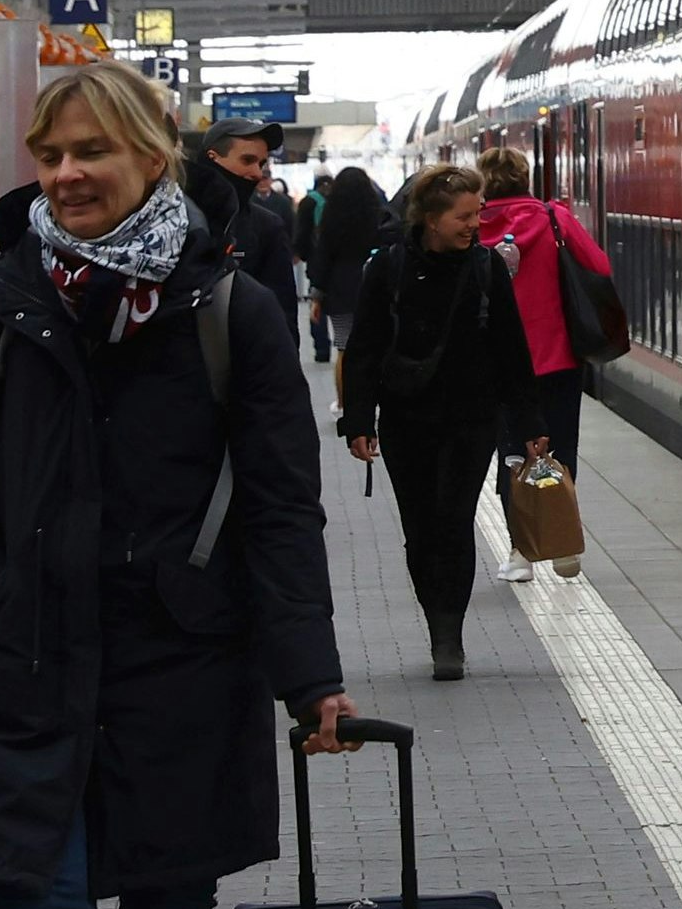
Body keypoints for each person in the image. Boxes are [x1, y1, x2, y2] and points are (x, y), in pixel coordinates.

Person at [0, 62, 358, 909]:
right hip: (32, 653)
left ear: (152, 160)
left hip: (183, 661)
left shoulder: (229, 311)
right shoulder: (3, 294)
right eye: (50, 155)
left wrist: (309, 674)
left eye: (89, 152)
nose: (64, 175)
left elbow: (283, 506)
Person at [338, 163, 536, 683]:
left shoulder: (487, 268)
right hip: (407, 416)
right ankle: (436, 615)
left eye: (479, 213)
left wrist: (529, 421)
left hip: (472, 418)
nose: (475, 224)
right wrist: (358, 419)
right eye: (464, 215)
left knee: (453, 522)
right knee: (419, 529)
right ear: (431, 217)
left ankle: (448, 634)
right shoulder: (388, 269)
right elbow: (364, 348)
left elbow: (512, 349)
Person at [473, 144, 612, 584]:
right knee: (560, 449)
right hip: (557, 359)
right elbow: (600, 266)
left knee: (511, 453)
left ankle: (520, 553)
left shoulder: (471, 227)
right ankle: (565, 545)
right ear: (524, 177)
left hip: (498, 365)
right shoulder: (555, 218)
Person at [185, 117, 299, 325]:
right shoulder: (175, 216)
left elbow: (282, 313)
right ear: (213, 158)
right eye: (247, 160)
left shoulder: (267, 227)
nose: (257, 173)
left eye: (261, 163)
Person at [309, 165, 390, 367]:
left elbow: (323, 258)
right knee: (376, 346)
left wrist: (317, 297)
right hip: (374, 287)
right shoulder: (379, 216)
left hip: (340, 290)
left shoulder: (330, 219)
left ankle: (345, 398)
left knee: (344, 347)